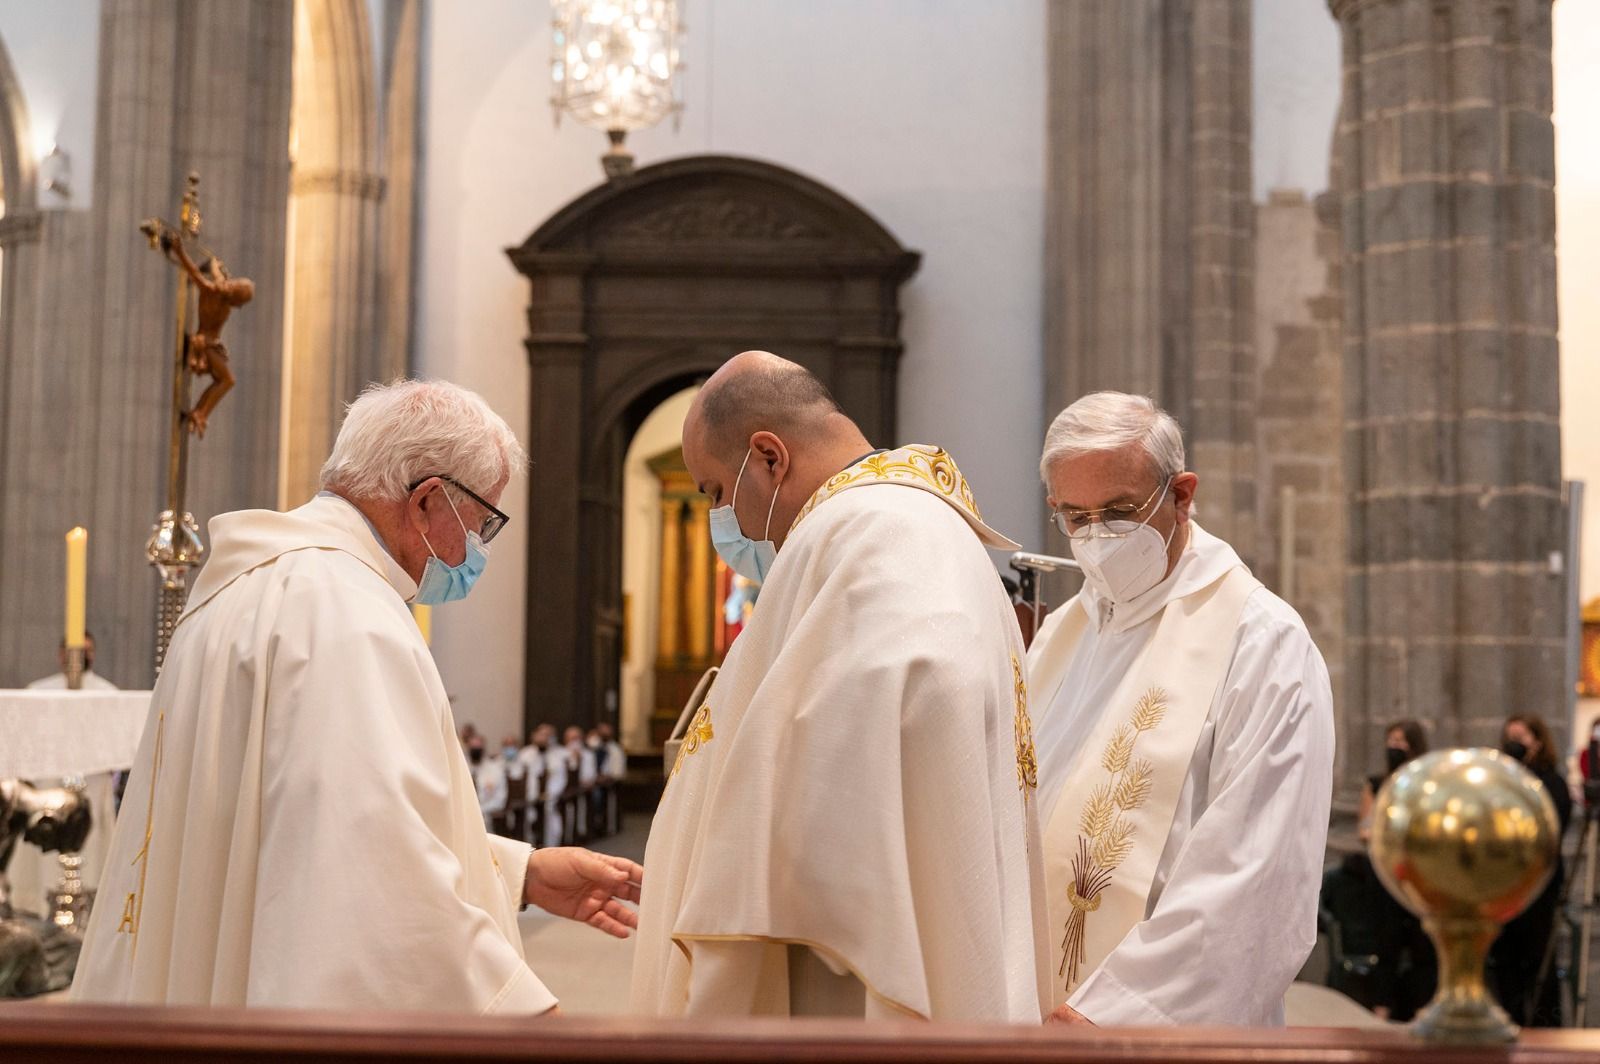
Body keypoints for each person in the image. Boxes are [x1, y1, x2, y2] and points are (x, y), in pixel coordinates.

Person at [72, 379, 641, 1013]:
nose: (478, 552)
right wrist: (532, 1023)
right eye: (482, 525)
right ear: (428, 501)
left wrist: (518, 875)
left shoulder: (240, 589)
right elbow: (375, 889)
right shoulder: (347, 613)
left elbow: (298, 824)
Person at [630, 351, 1048, 1021]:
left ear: (768, 457)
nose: (727, 522)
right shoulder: (899, 526)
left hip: (839, 988)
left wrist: (755, 859)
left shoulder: (874, 531)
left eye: (713, 491)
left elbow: (924, 689)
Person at [1025, 391, 1334, 1026]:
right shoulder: (1062, 633)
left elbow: (1257, 875)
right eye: (1074, 517)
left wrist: (1109, 1016)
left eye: (1118, 511)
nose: (1097, 536)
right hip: (1030, 1011)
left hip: (1153, 1028)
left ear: (1182, 494)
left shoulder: (1261, 640)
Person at [1490, 714, 1572, 1027]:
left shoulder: (1552, 783)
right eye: (1509, 736)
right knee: (1506, 961)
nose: (1514, 743)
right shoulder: (1500, 784)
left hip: (1539, 885)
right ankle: (1509, 1021)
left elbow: (1552, 830)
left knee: (1540, 962)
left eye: (1521, 736)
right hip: (1503, 884)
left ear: (1538, 741)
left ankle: (1545, 1029)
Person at [1354, 721, 1434, 1021]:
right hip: (1384, 873)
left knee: (1422, 946)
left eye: (1401, 741)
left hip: (1418, 874)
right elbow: (1364, 831)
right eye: (1390, 740)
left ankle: (1423, 1011)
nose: (1394, 746)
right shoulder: (1376, 784)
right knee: (1384, 944)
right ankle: (1380, 1012)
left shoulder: (1426, 784)